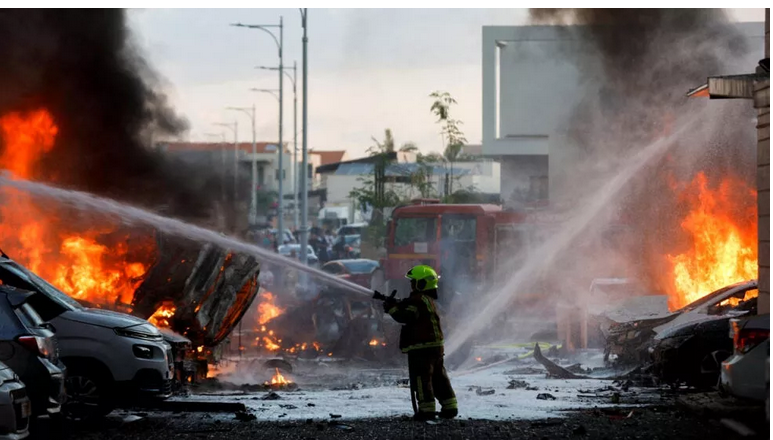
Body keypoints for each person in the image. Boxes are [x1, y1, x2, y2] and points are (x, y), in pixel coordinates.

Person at [376, 265, 458, 421]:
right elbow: (411, 308)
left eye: (413, 282)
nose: (411, 285)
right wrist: (396, 303)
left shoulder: (418, 300)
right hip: (435, 347)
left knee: (422, 379)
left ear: (421, 284)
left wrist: (391, 309)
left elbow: (406, 316)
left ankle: (426, 411)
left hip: (421, 348)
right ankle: (450, 407)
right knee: (439, 378)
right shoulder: (427, 300)